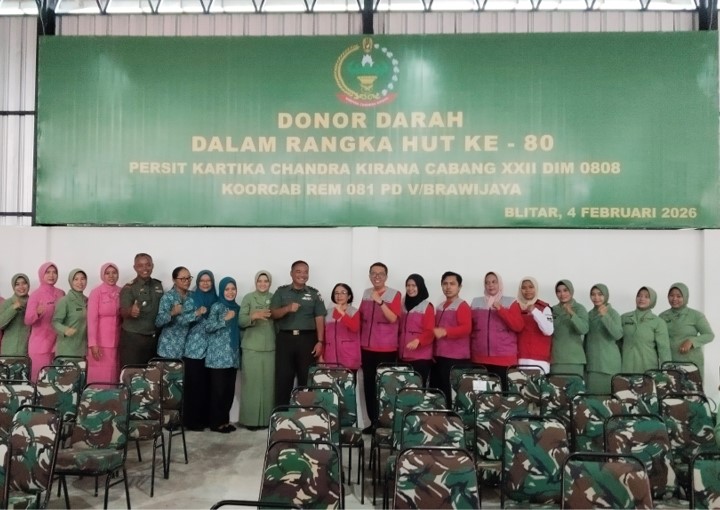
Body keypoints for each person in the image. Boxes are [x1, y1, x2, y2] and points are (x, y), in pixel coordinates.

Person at [270, 260, 326, 407]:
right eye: (298, 271)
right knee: (283, 378)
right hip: (285, 339)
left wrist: (320, 341)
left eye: (305, 272)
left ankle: (306, 413)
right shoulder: (281, 292)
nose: (302, 275)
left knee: (306, 378)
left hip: (307, 340)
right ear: (291, 273)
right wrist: (287, 308)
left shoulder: (314, 294)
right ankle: (282, 414)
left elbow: (319, 317)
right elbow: (273, 314)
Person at [358, 262, 401, 433]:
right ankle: (373, 422)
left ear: (386, 276)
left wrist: (381, 302)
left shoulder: (395, 294)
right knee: (368, 387)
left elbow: (393, 318)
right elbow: (361, 316)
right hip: (367, 348)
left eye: (380, 274)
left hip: (386, 349)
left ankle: (385, 424)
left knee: (385, 388)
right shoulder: (366, 293)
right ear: (369, 275)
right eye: (373, 273)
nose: (377, 277)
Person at [238, 270, 276, 430]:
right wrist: (253, 316)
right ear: (255, 282)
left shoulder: (275, 298)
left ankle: (267, 421)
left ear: (270, 283)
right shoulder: (248, 298)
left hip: (271, 348)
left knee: (268, 385)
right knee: (251, 385)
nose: (263, 284)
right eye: (260, 281)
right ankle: (250, 421)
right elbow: (241, 321)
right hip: (251, 347)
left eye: (266, 281)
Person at [205, 276, 241, 433]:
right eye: (227, 289)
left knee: (228, 391)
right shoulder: (217, 306)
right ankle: (216, 423)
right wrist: (225, 319)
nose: (230, 292)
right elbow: (208, 327)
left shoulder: (237, 308)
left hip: (232, 356)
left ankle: (225, 421)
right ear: (222, 290)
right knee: (218, 392)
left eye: (233, 289)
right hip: (217, 358)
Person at [182, 269, 217, 431]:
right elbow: (182, 320)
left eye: (208, 280)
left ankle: (206, 420)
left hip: (211, 350)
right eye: (202, 280)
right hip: (194, 350)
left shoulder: (216, 300)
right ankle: (192, 421)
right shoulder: (191, 299)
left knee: (207, 386)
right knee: (194, 386)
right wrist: (197, 313)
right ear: (197, 283)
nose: (205, 283)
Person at [431, 271, 472, 406]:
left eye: (452, 284)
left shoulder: (462, 305)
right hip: (439, 357)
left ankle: (452, 419)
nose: (448, 287)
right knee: (439, 394)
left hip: (455, 359)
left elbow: (466, 328)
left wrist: (445, 332)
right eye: (445, 284)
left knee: (452, 397)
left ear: (459, 287)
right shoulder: (440, 306)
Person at [470, 271, 517, 389]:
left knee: (502, 394)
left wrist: (501, 309)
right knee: (481, 393)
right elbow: (471, 328)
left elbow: (517, 326)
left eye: (494, 282)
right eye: (487, 282)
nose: (490, 285)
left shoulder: (511, 302)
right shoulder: (476, 302)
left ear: (499, 283)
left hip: (503, 359)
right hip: (479, 358)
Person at [659, 282, 715, 381]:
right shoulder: (662, 316)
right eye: (671, 295)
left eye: (678, 296)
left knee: (692, 390)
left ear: (685, 297)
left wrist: (691, 341)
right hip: (670, 363)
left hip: (691, 365)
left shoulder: (696, 315)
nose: (674, 299)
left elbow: (709, 335)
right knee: (671, 390)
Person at [119, 253, 164, 367]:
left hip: (153, 339)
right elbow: (122, 311)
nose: (145, 268)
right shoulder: (129, 288)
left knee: (151, 374)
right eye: (140, 266)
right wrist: (130, 311)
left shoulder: (158, 285)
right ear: (135, 268)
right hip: (133, 339)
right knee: (132, 373)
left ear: (152, 266)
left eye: (148, 265)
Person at [502, 277, 554, 374]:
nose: (527, 290)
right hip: (520, 358)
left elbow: (548, 331)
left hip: (539, 360)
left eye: (531, 287)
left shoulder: (544, 307)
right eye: (524, 287)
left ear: (536, 288)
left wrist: (534, 311)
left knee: (538, 384)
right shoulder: (515, 307)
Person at [24, 262, 65, 381]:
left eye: (54, 272)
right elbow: (27, 320)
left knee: (55, 381)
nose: (51, 275)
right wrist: (37, 312)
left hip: (57, 344)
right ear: (41, 274)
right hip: (40, 345)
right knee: (39, 380)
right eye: (48, 272)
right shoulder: (35, 295)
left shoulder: (61, 293)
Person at [621, 286, 671, 373]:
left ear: (652, 300)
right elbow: (617, 341)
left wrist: (667, 371)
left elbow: (664, 350)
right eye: (639, 295)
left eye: (646, 297)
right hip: (626, 367)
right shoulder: (624, 318)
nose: (642, 299)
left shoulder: (658, 322)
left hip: (648, 368)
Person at [156, 267, 204, 359]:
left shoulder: (193, 296)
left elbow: (196, 319)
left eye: (189, 278)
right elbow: (158, 322)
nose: (187, 281)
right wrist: (171, 313)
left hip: (187, 349)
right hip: (168, 348)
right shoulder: (168, 297)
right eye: (183, 279)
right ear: (174, 280)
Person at [87, 263, 122, 383]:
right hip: (100, 343)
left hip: (117, 341)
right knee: (100, 376)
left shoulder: (122, 291)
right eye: (107, 273)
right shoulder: (96, 292)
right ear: (102, 275)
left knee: (114, 376)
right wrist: (93, 343)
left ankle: (112, 395)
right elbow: (91, 320)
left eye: (114, 273)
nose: (111, 276)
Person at [585, 283, 623, 393]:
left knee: (608, 398)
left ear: (606, 295)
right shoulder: (589, 314)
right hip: (593, 364)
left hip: (608, 364)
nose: (596, 297)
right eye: (593, 294)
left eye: (600, 294)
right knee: (592, 398)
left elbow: (618, 334)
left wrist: (605, 316)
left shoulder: (613, 313)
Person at [398, 274, 434, 386]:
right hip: (403, 356)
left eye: (414, 285)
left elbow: (430, 331)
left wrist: (418, 341)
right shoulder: (402, 305)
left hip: (420, 358)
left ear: (420, 286)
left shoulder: (427, 306)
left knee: (417, 389)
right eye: (408, 285)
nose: (410, 288)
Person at [550, 279, 589, 376]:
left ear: (571, 291)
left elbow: (584, 329)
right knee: (556, 386)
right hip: (556, 359)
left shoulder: (579, 308)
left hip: (574, 360)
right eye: (558, 291)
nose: (562, 294)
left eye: (565, 290)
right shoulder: (552, 309)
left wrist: (571, 314)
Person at [324, 283, 361, 372]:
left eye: (343, 292)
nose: (339, 295)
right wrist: (321, 355)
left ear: (349, 296)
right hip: (330, 358)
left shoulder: (354, 312)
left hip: (349, 358)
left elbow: (355, 328)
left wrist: (342, 313)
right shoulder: (327, 312)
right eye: (336, 293)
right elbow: (324, 335)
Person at [52, 268, 89, 357]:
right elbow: (55, 322)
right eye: (76, 279)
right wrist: (65, 330)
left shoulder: (88, 300)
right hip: (67, 349)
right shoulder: (65, 301)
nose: (80, 282)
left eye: (82, 279)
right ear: (70, 281)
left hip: (83, 349)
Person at [0, 274, 31, 356]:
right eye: (17, 284)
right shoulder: (7, 303)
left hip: (29, 350)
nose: (21, 287)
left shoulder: (33, 302)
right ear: (13, 287)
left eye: (24, 283)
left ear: (28, 284)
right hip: (10, 350)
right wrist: (13, 308)